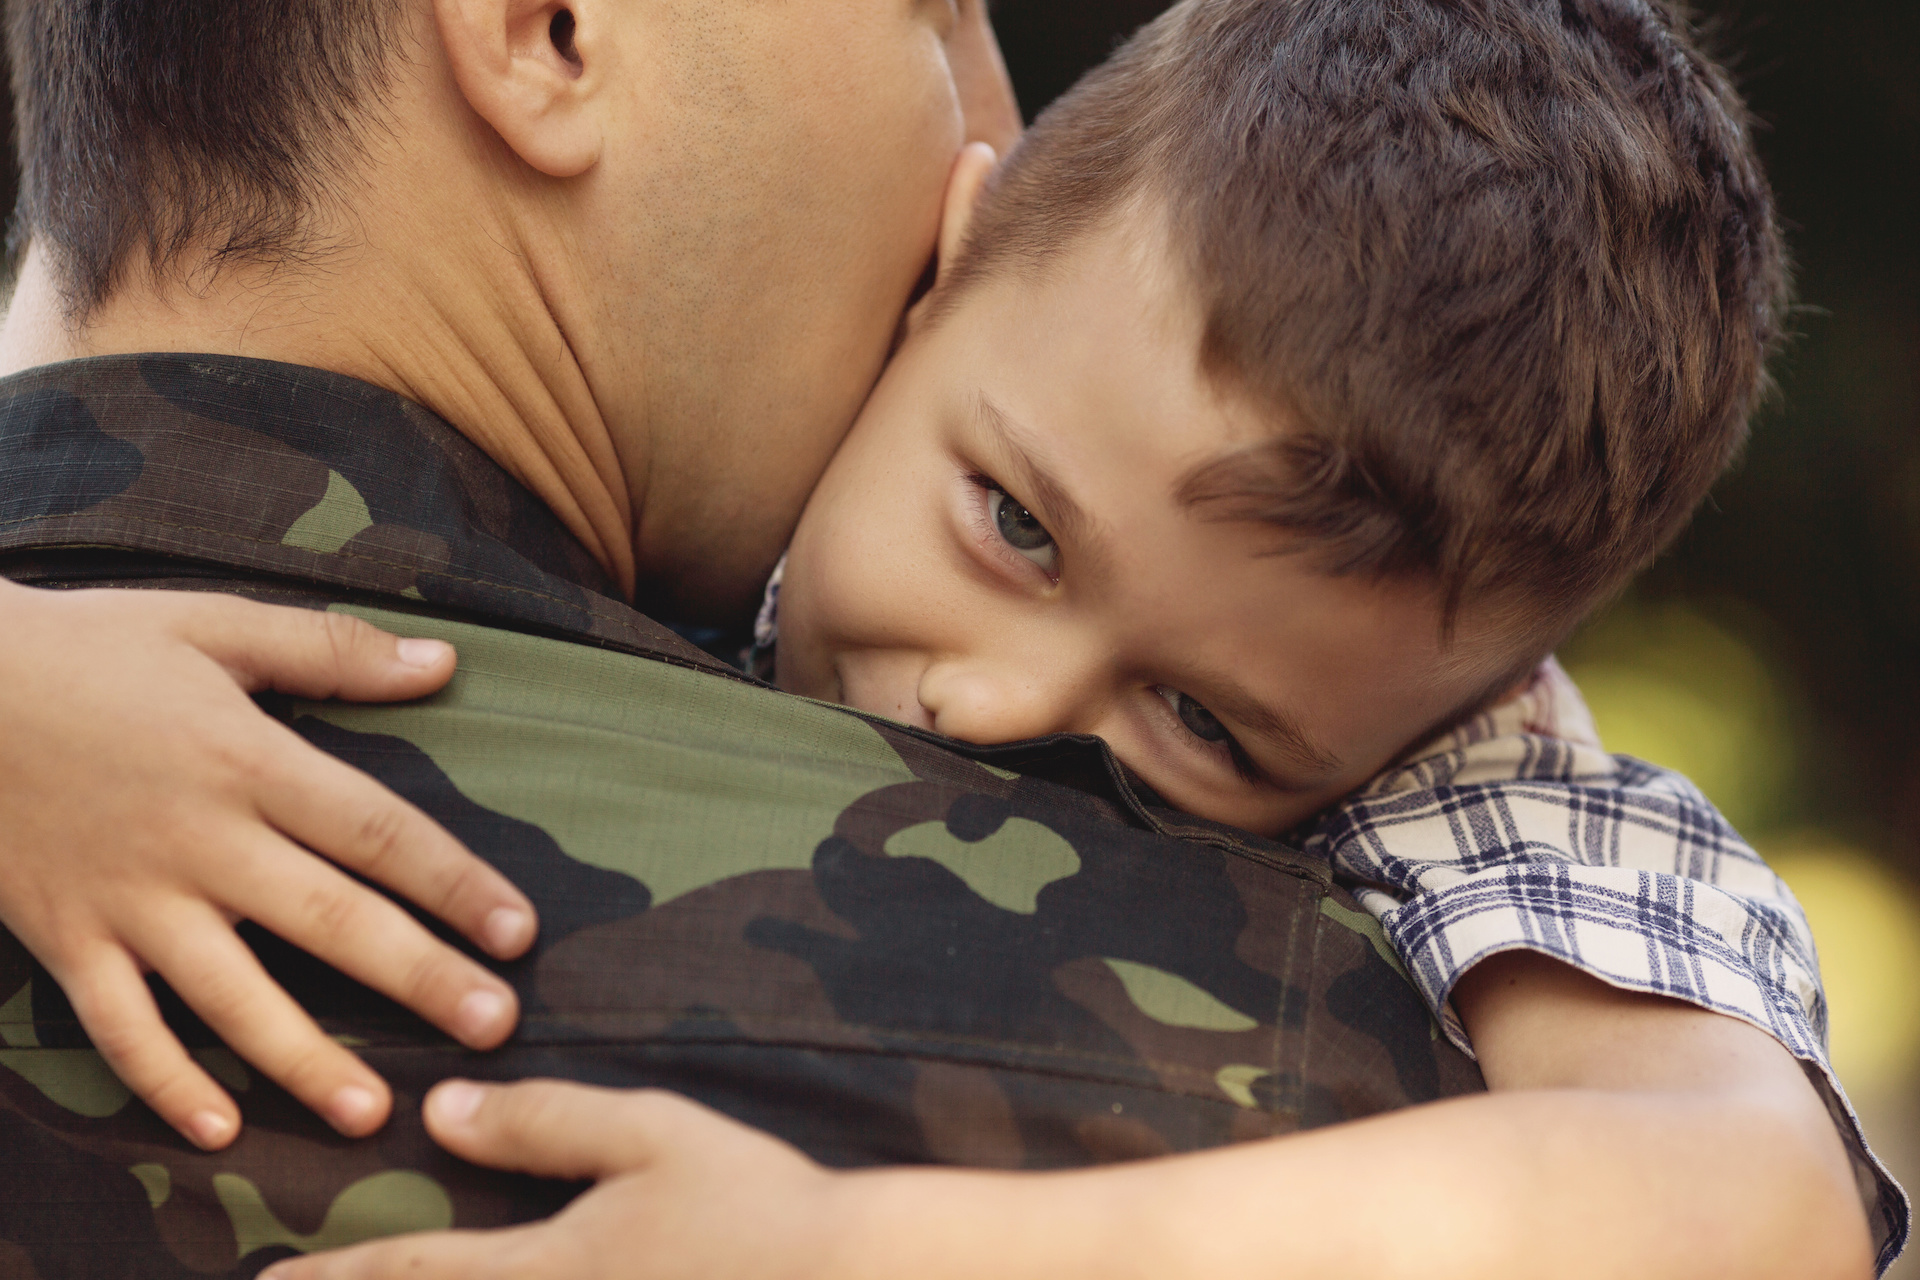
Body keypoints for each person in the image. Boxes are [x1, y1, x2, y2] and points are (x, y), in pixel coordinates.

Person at [0, 4, 1898, 1280]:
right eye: (931, 8)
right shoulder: (1279, 1054)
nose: (992, 712)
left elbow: (1752, 1199)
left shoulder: (1468, 817)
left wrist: (856, 1247)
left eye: (1210, 724)